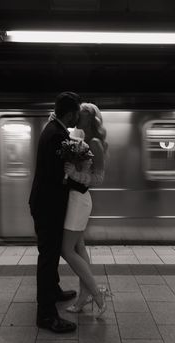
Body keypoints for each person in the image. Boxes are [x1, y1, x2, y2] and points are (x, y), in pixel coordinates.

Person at [29, 92, 88, 333]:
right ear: (71, 112)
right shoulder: (56, 135)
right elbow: (57, 176)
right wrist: (81, 182)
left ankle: (53, 290)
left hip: (47, 204)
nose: (78, 118)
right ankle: (45, 315)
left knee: (50, 254)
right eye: (77, 114)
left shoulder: (55, 130)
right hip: (47, 207)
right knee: (48, 257)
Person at [61, 102, 109, 317]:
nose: (77, 116)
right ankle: (84, 297)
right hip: (73, 198)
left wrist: (73, 174)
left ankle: (97, 294)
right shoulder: (80, 139)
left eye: (81, 114)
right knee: (79, 248)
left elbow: (98, 178)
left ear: (91, 118)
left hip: (79, 200)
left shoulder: (96, 143)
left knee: (66, 249)